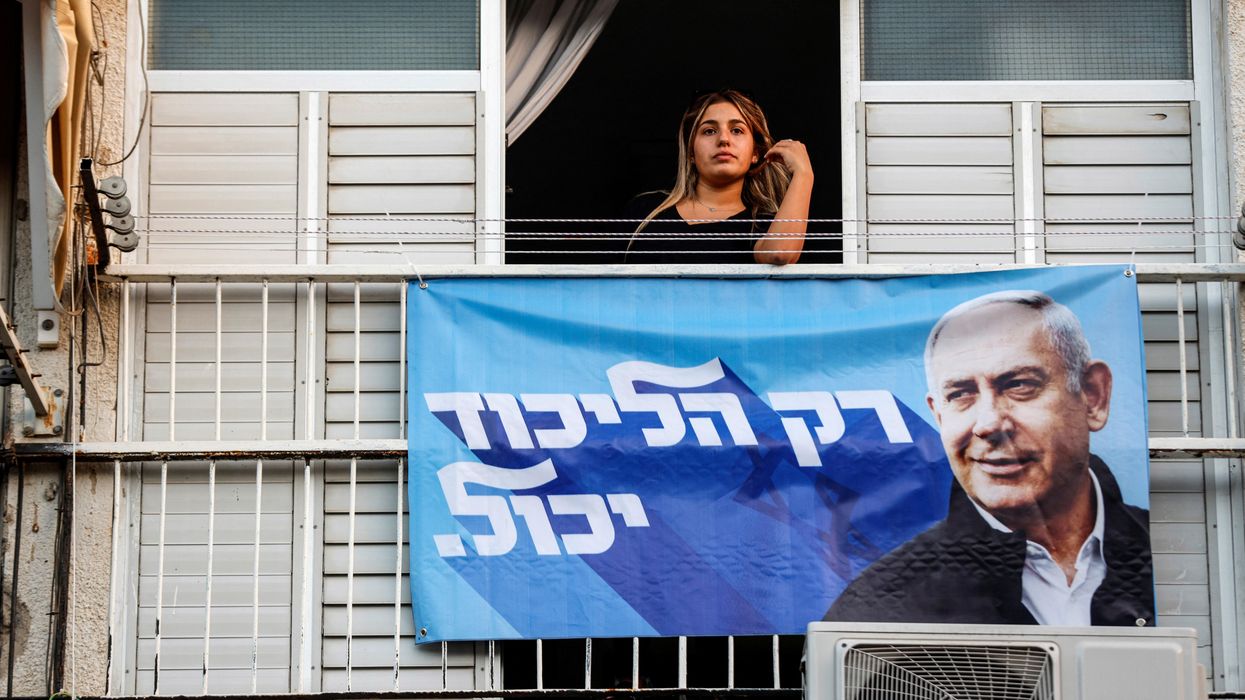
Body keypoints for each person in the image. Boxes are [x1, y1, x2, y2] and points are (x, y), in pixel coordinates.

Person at [825, 290, 1154, 626]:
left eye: (1019, 385)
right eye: (961, 395)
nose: (988, 424)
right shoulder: (877, 607)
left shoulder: (1165, 558)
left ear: (1093, 396)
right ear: (939, 416)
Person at [622, 89, 813, 265]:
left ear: (755, 153)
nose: (723, 139)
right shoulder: (645, 211)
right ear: (691, 151)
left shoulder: (763, 225)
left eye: (737, 130)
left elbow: (779, 253)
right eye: (709, 131)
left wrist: (804, 174)